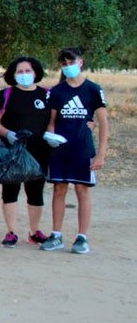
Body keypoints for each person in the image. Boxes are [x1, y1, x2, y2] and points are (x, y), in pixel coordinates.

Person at [40, 47, 109, 254]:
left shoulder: (93, 89)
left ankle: (82, 237)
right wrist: (50, 137)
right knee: (59, 190)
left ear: (81, 62)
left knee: (82, 190)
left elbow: (103, 122)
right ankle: (56, 234)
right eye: (64, 64)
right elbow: (51, 121)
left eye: (71, 62)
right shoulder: (57, 91)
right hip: (60, 150)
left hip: (83, 149)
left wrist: (101, 153)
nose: (68, 67)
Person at [0, 56, 50, 247]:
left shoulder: (47, 95)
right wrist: (8, 134)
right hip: (12, 152)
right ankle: (11, 232)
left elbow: (55, 120)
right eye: (20, 72)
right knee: (10, 192)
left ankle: (35, 231)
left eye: (28, 71)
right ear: (13, 75)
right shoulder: (6, 95)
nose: (24, 75)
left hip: (39, 151)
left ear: (36, 73)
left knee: (36, 193)